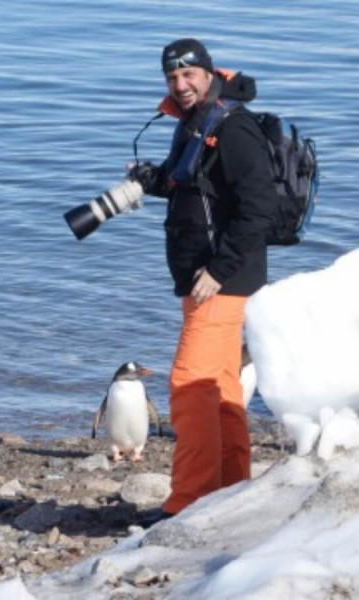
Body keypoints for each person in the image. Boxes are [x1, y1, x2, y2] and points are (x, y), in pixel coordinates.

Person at [131, 38, 276, 525]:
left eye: (188, 75)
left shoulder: (233, 128)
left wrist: (218, 269)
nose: (180, 84)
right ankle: (233, 494)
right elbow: (192, 185)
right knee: (221, 388)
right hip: (209, 277)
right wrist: (150, 180)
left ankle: (187, 504)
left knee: (190, 386)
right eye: (172, 77)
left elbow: (260, 208)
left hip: (220, 278)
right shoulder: (196, 123)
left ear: (209, 73)